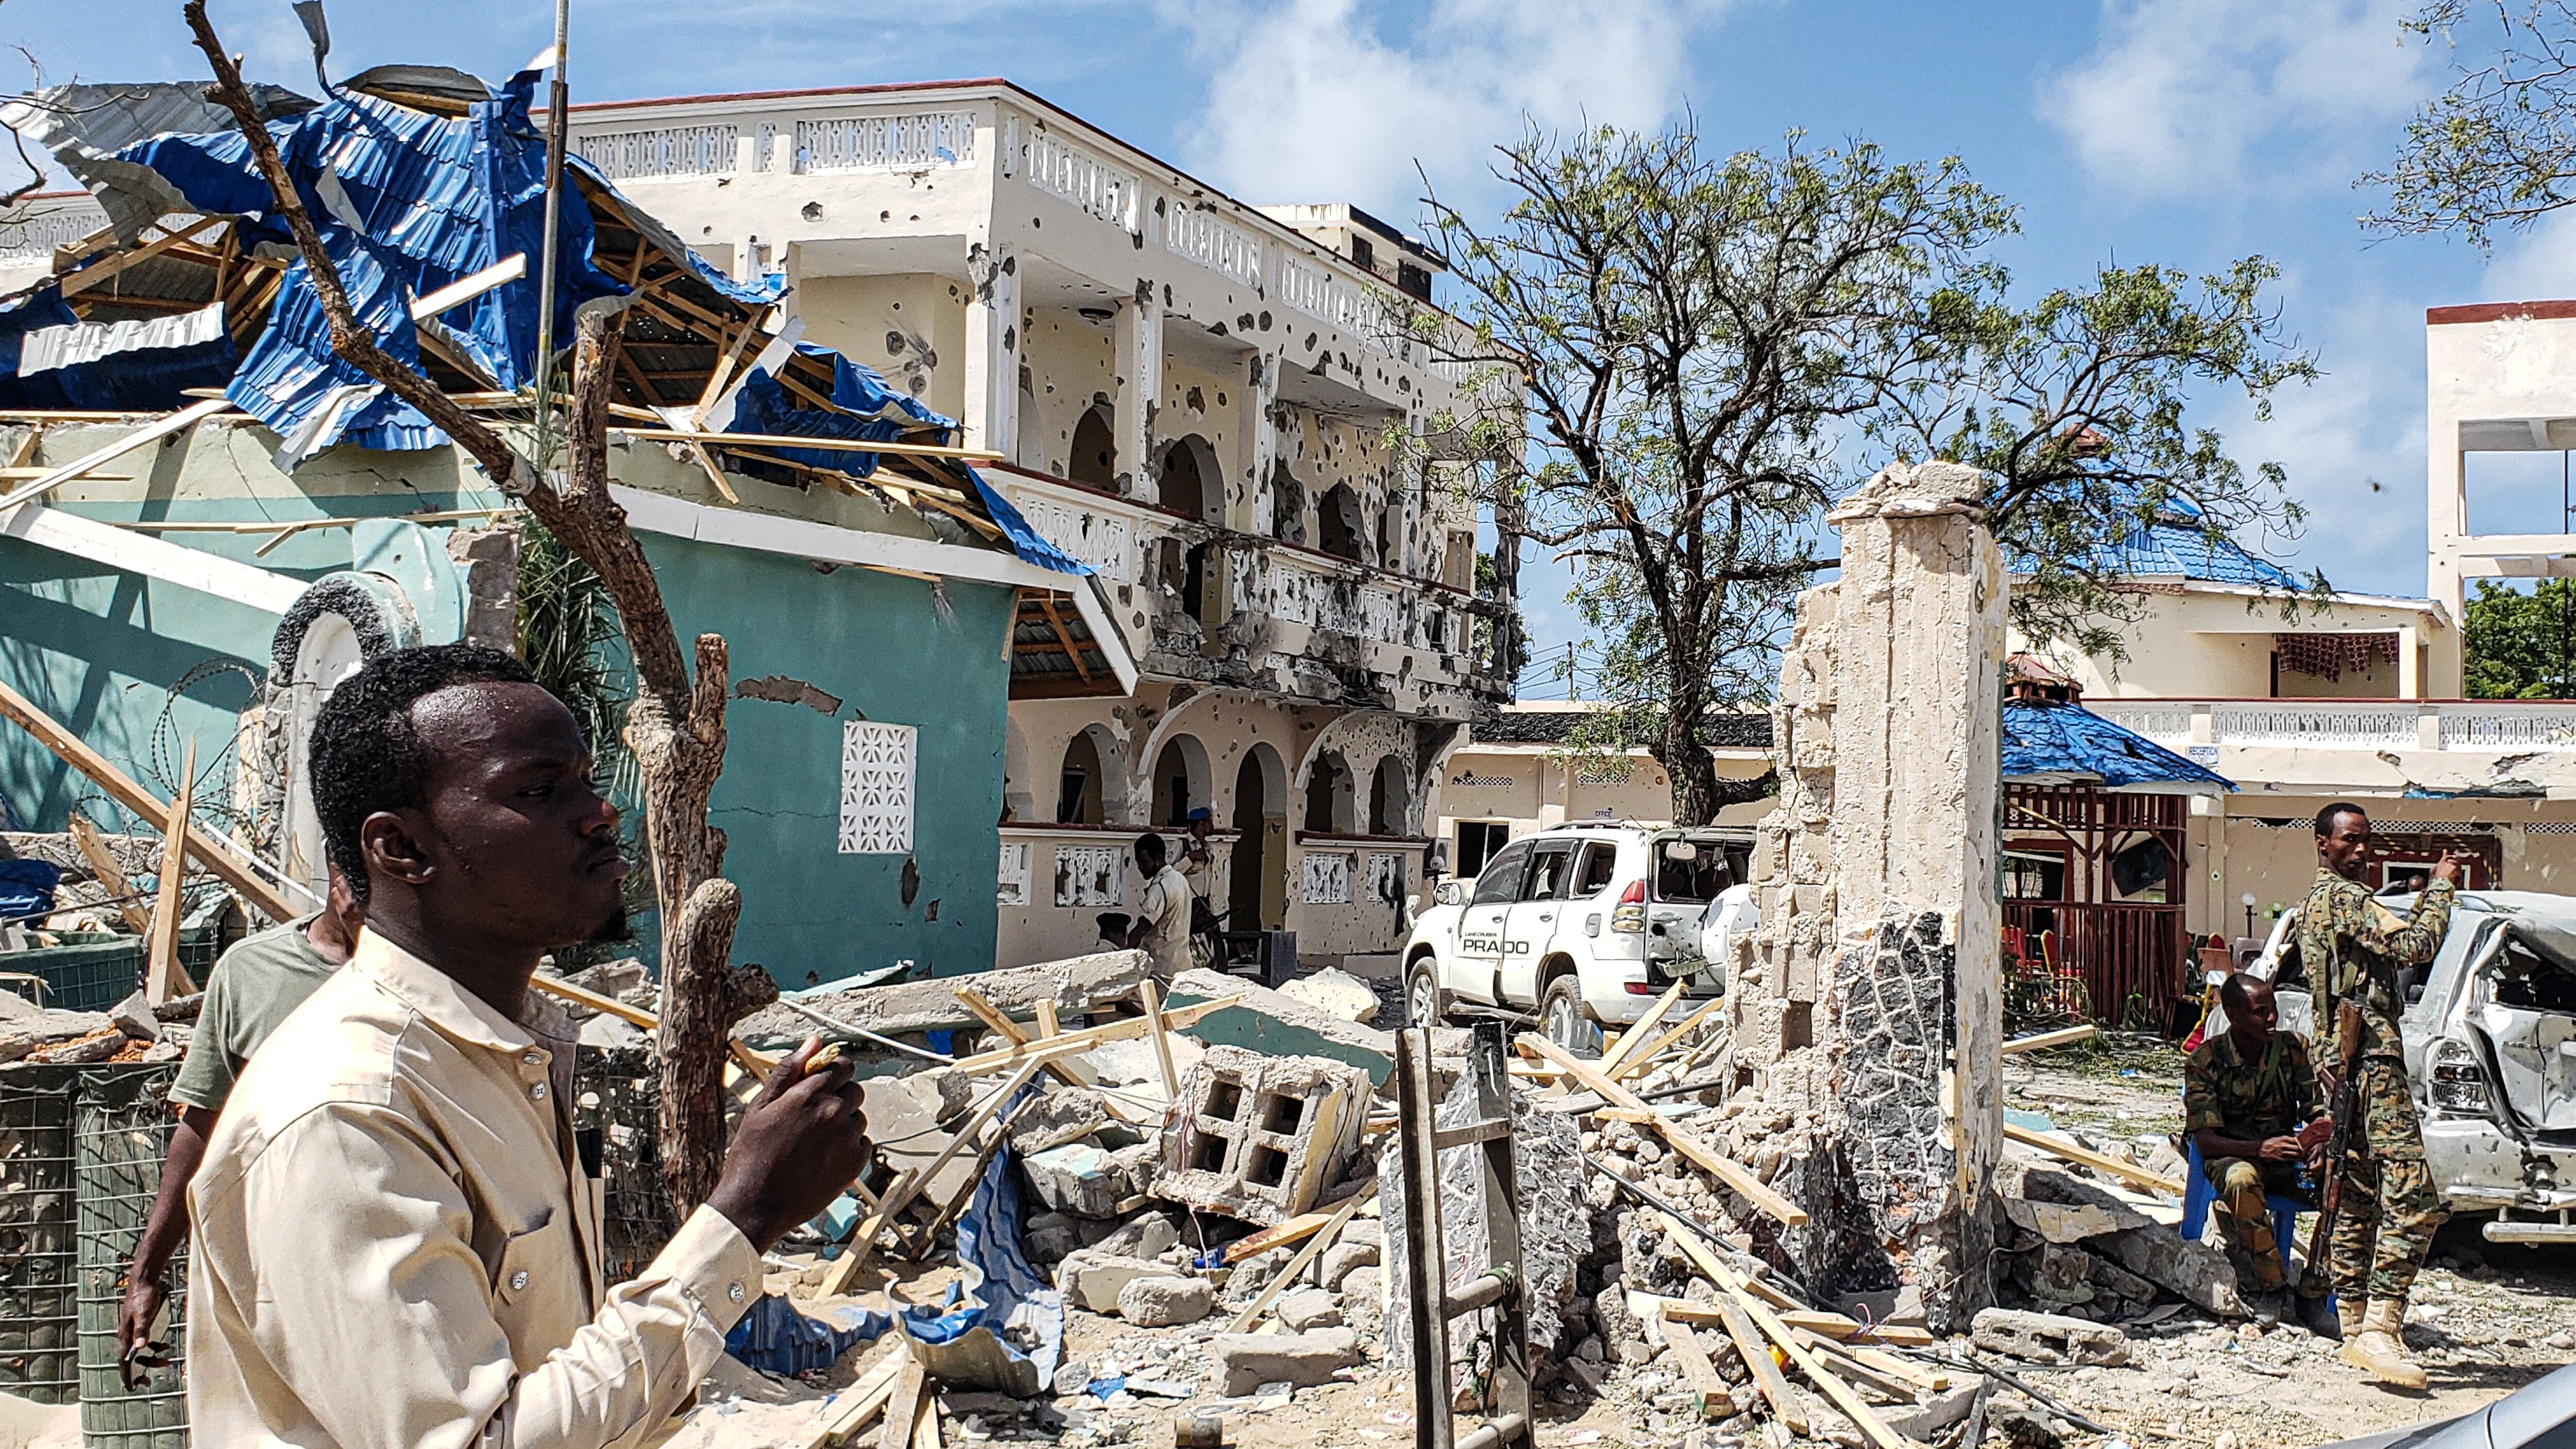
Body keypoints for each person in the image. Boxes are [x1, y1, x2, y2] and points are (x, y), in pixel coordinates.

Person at [184, 644, 870, 1448]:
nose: (600, 811)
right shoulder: (346, 1110)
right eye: (540, 790)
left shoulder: (502, 1054)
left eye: (586, 777)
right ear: (401, 849)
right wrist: (743, 1215)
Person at [116, 869, 364, 1380]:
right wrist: (146, 1271)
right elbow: (204, 1126)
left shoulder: (433, 977)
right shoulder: (253, 972)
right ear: (338, 869)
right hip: (275, 1281)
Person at [2298, 801, 2457, 1390]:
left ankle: (2353, 1323)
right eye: (2349, 841)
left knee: (2356, 1190)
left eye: (2366, 841)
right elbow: (2414, 944)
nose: (2360, 851)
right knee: (2414, 1192)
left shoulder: (2314, 903)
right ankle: (2381, 1327)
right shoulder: (2341, 898)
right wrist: (2439, 890)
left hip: (2340, 1064)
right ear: (2322, 844)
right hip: (2367, 1057)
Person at [2182, 974, 2330, 1334]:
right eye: (2260, 1012)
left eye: (2273, 1010)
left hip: (2285, 1158)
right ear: (2233, 1014)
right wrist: (2259, 1148)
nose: (2271, 1019)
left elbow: (2316, 1109)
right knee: (2241, 1179)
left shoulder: (2292, 1050)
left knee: (2346, 1180)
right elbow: (2205, 1141)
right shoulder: (2206, 1060)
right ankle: (2273, 1286)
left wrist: (2320, 1143)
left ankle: (2315, 1291)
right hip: (2233, 1155)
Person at [1121, 831, 1193, 977]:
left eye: (1144, 863)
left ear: (1159, 858)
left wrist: (1122, 956)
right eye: (1138, 863)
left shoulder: (1160, 887)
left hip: (1162, 966)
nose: (1140, 868)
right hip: (1183, 963)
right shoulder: (1179, 879)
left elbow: (1143, 926)